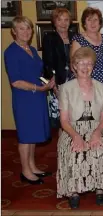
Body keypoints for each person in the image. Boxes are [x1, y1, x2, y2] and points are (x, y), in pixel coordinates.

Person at [57, 47, 103, 209]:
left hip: (97, 126)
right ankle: (73, 191)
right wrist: (76, 136)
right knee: (74, 149)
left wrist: (97, 133)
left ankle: (100, 189)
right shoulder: (66, 88)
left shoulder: (102, 88)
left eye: (89, 63)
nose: (85, 67)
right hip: (72, 128)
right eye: (80, 63)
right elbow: (64, 120)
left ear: (93, 66)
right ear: (74, 66)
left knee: (100, 147)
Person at [4, 16, 54, 185]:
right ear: (14, 31)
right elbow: (15, 81)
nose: (26, 32)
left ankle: (32, 166)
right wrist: (39, 88)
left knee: (32, 134)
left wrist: (49, 83)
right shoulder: (10, 52)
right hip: (24, 99)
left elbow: (39, 73)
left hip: (37, 97)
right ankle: (25, 171)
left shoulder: (31, 50)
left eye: (28, 28)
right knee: (25, 136)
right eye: (21, 28)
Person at [42, 8, 75, 128]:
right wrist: (54, 86)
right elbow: (48, 63)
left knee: (75, 118)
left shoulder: (75, 37)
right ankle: (63, 146)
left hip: (75, 82)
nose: (63, 23)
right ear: (54, 22)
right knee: (62, 121)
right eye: (59, 20)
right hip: (58, 83)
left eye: (66, 20)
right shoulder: (49, 38)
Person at [70, 7, 103, 86]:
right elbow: (73, 66)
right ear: (84, 24)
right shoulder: (78, 39)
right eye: (89, 20)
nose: (93, 23)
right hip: (84, 84)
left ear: (100, 23)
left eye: (95, 20)